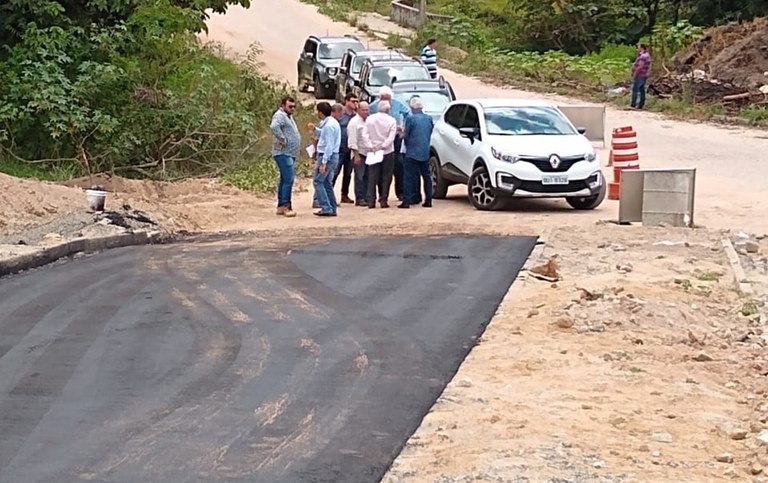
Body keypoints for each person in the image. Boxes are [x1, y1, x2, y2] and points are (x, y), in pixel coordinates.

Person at [369, 86, 411, 202]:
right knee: (378, 168)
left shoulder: (398, 104)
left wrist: (403, 128)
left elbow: (408, 114)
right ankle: (381, 194)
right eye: (383, 98)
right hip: (378, 141)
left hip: (395, 139)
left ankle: (400, 192)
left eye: (387, 98)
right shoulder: (373, 106)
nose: (385, 101)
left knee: (399, 165)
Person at [399, 96, 434, 209]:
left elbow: (406, 135)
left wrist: (404, 139)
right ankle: (428, 199)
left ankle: (407, 201)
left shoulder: (410, 119)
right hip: (424, 151)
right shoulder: (428, 118)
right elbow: (430, 131)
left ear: (412, 108)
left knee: (408, 176)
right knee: (426, 176)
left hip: (412, 152)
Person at [269, 96, 300, 217]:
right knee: (288, 179)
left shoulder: (288, 116)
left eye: (294, 107)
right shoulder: (280, 115)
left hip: (289, 153)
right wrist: (282, 138)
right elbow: (274, 127)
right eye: (290, 106)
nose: (292, 109)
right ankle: (286, 205)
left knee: (284, 179)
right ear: (283, 105)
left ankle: (281, 205)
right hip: (283, 152)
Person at [363, 100, 397, 209]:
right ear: (388, 110)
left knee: (372, 176)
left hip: (373, 151)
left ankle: (371, 201)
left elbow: (365, 134)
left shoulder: (370, 119)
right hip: (387, 151)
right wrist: (383, 146)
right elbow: (391, 137)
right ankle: (383, 200)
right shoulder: (391, 120)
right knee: (386, 177)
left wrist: (370, 146)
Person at [313, 101, 341, 216]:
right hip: (331, 155)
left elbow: (329, 144)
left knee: (318, 181)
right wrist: (315, 130)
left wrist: (324, 162)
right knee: (326, 183)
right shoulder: (331, 123)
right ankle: (331, 206)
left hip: (327, 155)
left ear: (320, 112)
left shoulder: (329, 125)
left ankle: (326, 206)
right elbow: (324, 135)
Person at [332, 94, 358, 204]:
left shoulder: (356, 116)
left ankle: (344, 194)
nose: (355, 104)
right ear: (346, 101)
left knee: (348, 173)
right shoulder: (340, 115)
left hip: (350, 149)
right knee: (335, 172)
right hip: (339, 149)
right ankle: (329, 195)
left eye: (357, 101)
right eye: (353, 101)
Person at [347, 100, 371, 206]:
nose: (365, 112)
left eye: (367, 110)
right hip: (359, 153)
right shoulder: (354, 122)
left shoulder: (369, 121)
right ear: (358, 110)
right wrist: (356, 155)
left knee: (368, 176)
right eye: (363, 110)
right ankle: (360, 198)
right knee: (359, 176)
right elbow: (352, 141)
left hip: (369, 153)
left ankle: (367, 197)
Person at [630, 44, 651, 110]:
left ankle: (633, 104)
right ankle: (640, 105)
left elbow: (640, 66)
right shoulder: (647, 55)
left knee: (635, 89)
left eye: (638, 47)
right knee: (642, 90)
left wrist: (635, 73)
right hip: (644, 75)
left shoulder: (643, 56)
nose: (637, 49)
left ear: (642, 48)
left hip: (640, 75)